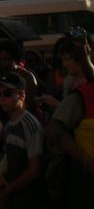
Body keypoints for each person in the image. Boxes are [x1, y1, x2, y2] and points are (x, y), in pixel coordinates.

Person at [46, 32, 94, 203]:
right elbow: (56, 130)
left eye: (67, 59)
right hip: (81, 166)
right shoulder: (73, 85)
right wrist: (86, 161)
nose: (65, 64)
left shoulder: (81, 88)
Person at [0, 72, 45, 208]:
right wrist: (3, 177)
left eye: (7, 93)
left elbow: (34, 170)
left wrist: (9, 189)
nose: (1, 98)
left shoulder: (29, 124)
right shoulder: (9, 124)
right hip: (15, 195)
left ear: (22, 95)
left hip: (29, 197)